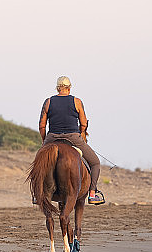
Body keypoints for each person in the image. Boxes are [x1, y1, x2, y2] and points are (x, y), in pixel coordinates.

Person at [38, 76, 105, 205]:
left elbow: (42, 125)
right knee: (95, 163)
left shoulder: (48, 102)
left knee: (39, 164)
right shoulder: (77, 101)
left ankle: (37, 193)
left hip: (52, 137)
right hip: (73, 137)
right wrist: (82, 134)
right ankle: (92, 194)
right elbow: (84, 123)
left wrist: (44, 141)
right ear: (69, 88)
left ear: (58, 88)